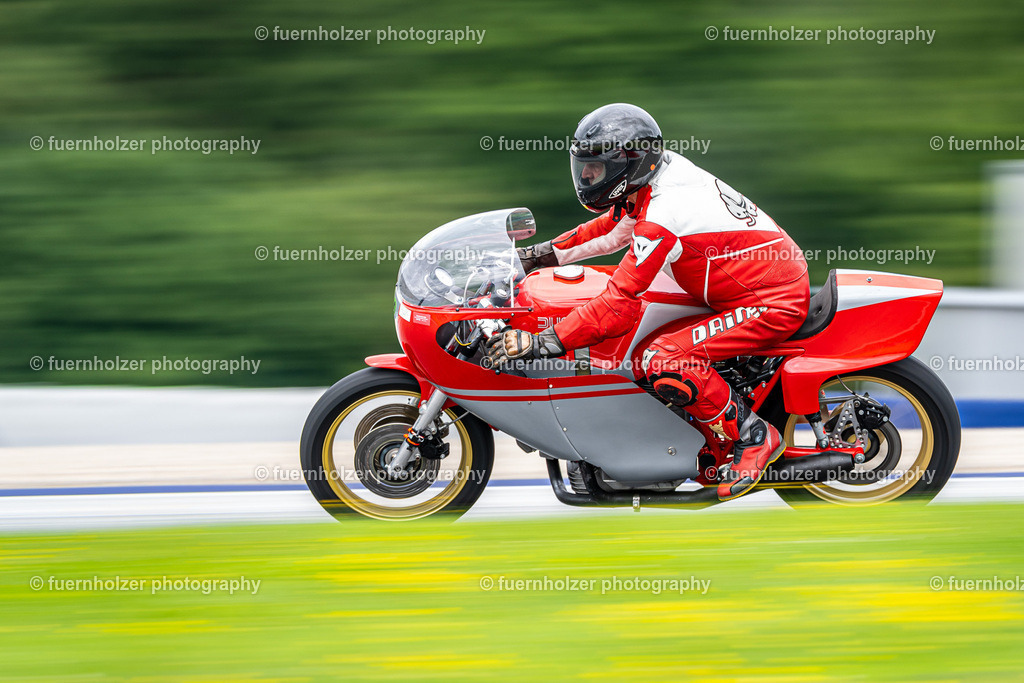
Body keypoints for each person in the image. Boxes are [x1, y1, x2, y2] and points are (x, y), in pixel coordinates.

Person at [486, 103, 809, 501]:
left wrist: (544, 341)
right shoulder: (658, 176)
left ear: (632, 162)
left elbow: (617, 302)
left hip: (770, 299)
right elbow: (613, 228)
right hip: (729, 282)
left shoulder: (665, 213)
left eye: (597, 167)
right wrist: (533, 258)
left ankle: (753, 436)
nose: (587, 176)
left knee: (663, 358)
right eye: (584, 165)